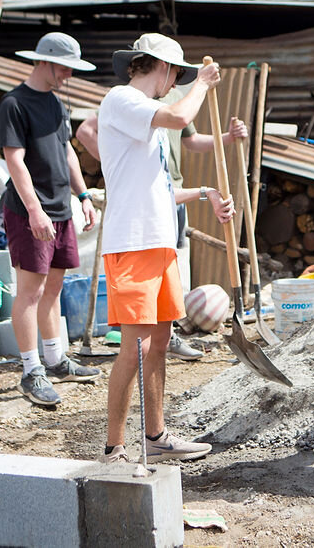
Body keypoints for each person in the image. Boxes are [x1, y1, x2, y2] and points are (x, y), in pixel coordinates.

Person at [97, 33, 235, 464]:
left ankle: (156, 438)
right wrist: (203, 85)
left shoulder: (150, 124)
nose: (175, 83)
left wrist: (204, 192)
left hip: (159, 243)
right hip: (132, 244)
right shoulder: (122, 100)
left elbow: (159, 188)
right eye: (176, 75)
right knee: (134, 347)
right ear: (164, 68)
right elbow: (179, 116)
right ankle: (113, 448)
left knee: (159, 343)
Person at [75, 105, 248, 360]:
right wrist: (115, 166)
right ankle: (145, 338)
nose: (177, 78)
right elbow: (85, 131)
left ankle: (167, 334)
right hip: (142, 202)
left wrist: (228, 138)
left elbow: (192, 140)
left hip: (172, 190)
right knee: (145, 289)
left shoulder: (178, 96)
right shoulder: (131, 99)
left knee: (173, 268)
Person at [0, 32, 102, 406]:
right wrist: (34, 209)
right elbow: (15, 160)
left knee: (53, 287)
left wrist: (84, 195)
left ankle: (56, 360)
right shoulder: (14, 103)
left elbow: (68, 154)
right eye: (65, 68)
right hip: (31, 211)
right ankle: (30, 370)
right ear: (44, 62)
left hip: (61, 208)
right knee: (30, 291)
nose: (69, 76)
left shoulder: (57, 104)